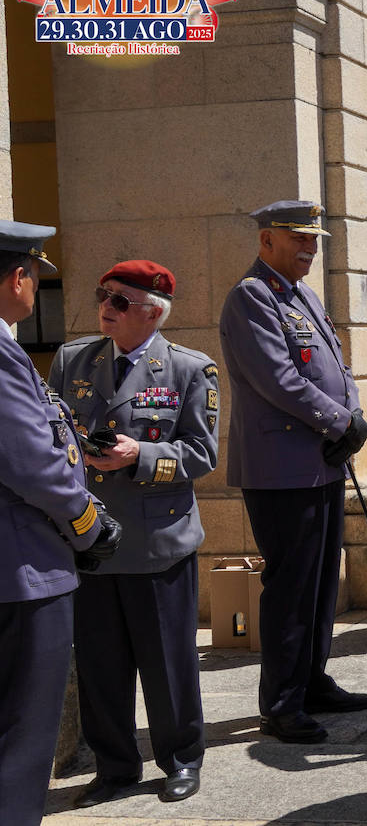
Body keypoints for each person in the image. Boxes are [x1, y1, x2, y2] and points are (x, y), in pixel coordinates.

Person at [49, 261, 217, 807]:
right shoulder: (74, 359)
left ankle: (181, 759)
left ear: (153, 312)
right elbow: (50, 434)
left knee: (167, 665)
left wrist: (138, 454)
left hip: (156, 543)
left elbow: (201, 454)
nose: (106, 307)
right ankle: (115, 767)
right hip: (91, 539)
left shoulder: (189, 369)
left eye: (120, 301)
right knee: (100, 667)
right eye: (104, 295)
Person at [219, 200, 367, 746]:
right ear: (267, 241)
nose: (310, 249)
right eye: (298, 239)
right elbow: (279, 379)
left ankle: (312, 680)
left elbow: (338, 365)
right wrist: (340, 422)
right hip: (281, 467)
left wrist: (353, 413)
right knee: (291, 586)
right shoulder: (252, 297)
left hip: (321, 461)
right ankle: (282, 703)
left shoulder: (303, 295)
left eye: (314, 240)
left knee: (321, 582)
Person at [0, 222, 121, 826]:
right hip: (22, 567)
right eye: (33, 274)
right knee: (23, 737)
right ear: (18, 278)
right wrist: (89, 524)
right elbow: (33, 464)